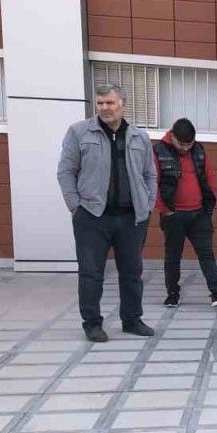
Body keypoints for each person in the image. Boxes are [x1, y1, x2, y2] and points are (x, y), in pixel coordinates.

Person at [56, 84, 158, 343]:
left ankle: (132, 319)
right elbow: (66, 171)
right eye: (100, 103)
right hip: (92, 216)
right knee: (91, 273)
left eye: (110, 103)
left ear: (122, 103)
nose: (104, 108)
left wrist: (147, 205)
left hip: (131, 217)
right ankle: (92, 323)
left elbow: (150, 174)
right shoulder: (79, 132)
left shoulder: (139, 137)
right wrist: (75, 206)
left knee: (132, 272)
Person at [153, 118, 217, 309]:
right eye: (181, 144)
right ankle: (172, 294)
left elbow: (209, 176)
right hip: (173, 214)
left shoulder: (198, 150)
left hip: (199, 213)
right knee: (173, 256)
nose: (185, 148)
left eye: (189, 144)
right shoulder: (159, 151)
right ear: (172, 136)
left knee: (206, 253)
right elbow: (153, 182)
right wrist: (165, 210)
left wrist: (209, 206)